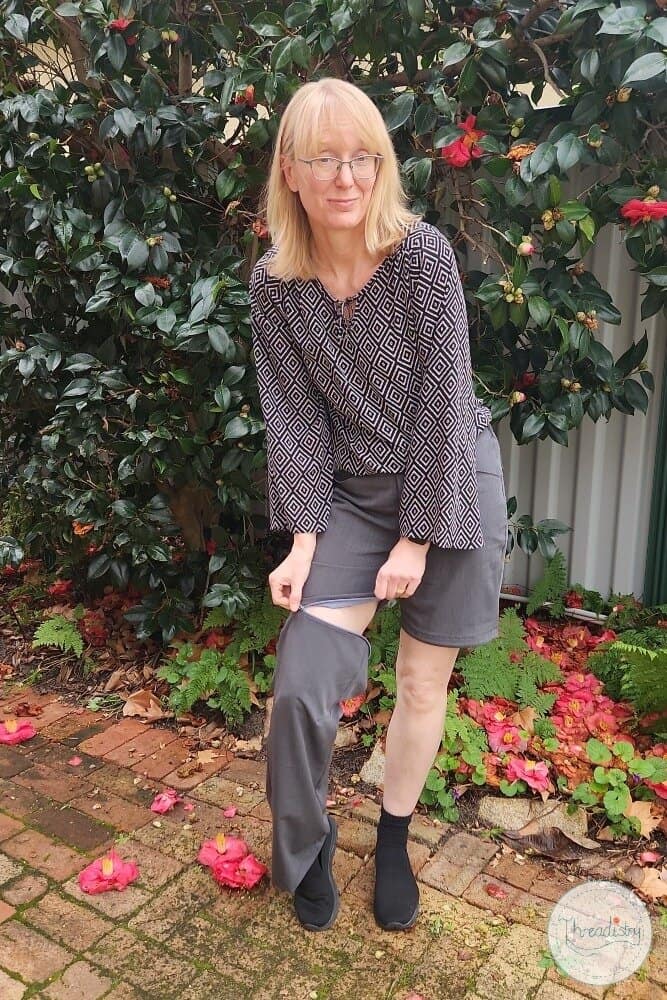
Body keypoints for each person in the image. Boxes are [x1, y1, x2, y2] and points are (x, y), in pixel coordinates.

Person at [249, 78, 507, 933]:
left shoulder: (420, 257)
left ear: (381, 166)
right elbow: (294, 419)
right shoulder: (275, 284)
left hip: (451, 482)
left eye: (362, 157)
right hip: (353, 496)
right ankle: (307, 844)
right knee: (302, 684)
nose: (345, 177)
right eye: (324, 159)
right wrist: (302, 540)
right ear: (291, 171)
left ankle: (392, 839)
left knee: (420, 683)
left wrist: (417, 539)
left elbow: (443, 401)